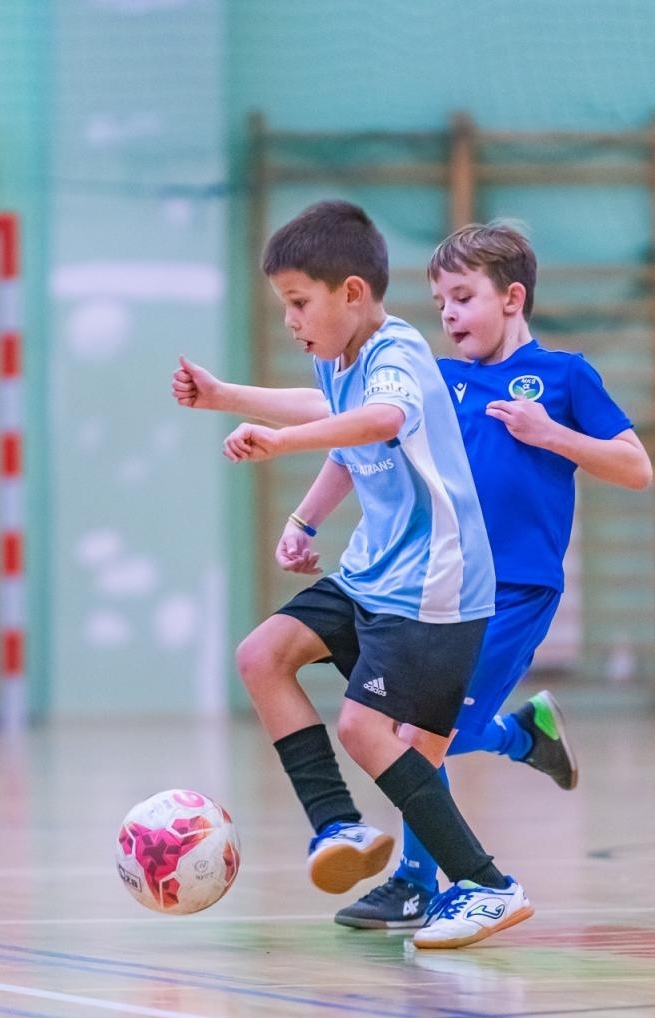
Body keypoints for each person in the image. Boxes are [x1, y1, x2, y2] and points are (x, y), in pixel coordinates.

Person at [174, 220, 652, 932]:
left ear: (512, 298)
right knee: (410, 730)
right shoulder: (439, 376)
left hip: (510, 588)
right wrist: (293, 500)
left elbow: (636, 468)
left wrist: (549, 433)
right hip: (423, 583)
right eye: (440, 301)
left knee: (420, 737)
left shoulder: (564, 376)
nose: (449, 314)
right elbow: (341, 418)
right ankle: (516, 745)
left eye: (464, 297)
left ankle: (427, 876)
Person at [209, 199, 531, 950]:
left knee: (367, 728)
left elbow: (380, 420)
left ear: (351, 293)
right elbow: (333, 418)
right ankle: (338, 826)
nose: (290, 320)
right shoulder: (338, 359)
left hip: (434, 589)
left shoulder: (399, 352)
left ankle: (488, 886)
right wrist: (230, 404)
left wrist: (279, 442)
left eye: (299, 303)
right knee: (262, 655)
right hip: (372, 575)